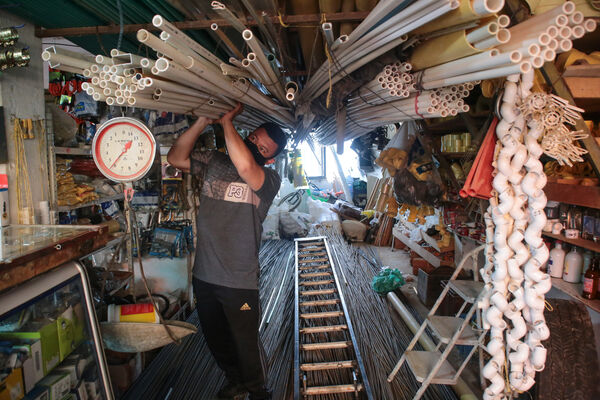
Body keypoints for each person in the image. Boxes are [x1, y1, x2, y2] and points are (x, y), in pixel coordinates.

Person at [167, 103, 287, 400]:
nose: (256, 145)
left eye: (263, 146)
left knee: (245, 343)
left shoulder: (269, 179)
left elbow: (246, 166)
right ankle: (235, 381)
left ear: (270, 156)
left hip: (238, 280)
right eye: (254, 138)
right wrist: (200, 123)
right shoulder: (216, 161)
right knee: (217, 339)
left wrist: (226, 123)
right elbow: (175, 158)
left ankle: (259, 391)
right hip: (205, 274)